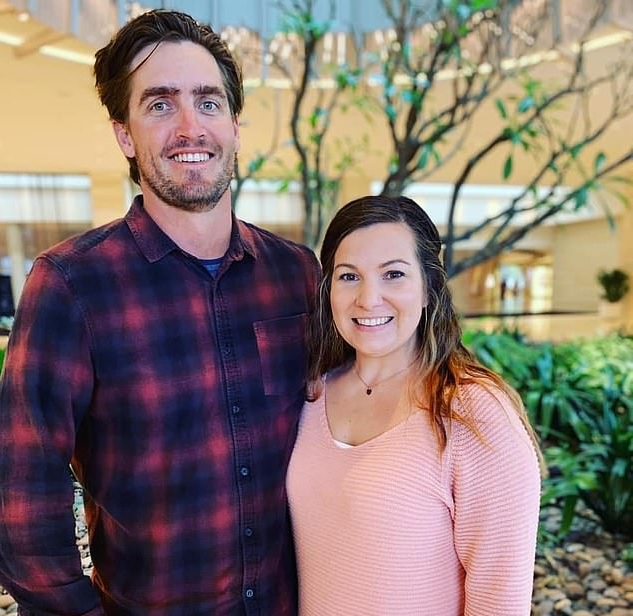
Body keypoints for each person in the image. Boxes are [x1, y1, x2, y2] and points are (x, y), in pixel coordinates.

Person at [0, 9, 319, 616]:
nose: (190, 127)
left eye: (208, 102)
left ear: (234, 126)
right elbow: (21, 489)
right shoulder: (71, 285)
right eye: (160, 104)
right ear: (125, 134)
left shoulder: (296, 274)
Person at [287, 195, 542, 615]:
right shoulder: (310, 394)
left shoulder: (473, 413)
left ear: (428, 288)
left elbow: (499, 600)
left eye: (393, 274)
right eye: (349, 276)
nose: (369, 298)